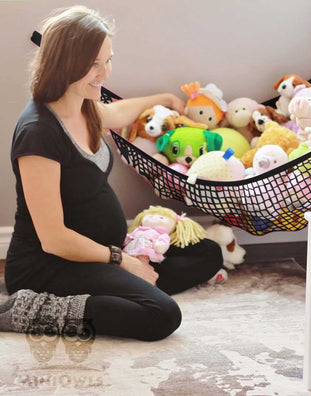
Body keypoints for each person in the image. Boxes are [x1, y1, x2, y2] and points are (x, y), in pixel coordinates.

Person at [0, 5, 223, 341]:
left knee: (208, 253)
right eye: (94, 65)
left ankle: (116, 293)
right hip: (49, 266)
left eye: (108, 60)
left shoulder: (84, 104)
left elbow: (117, 112)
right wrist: (122, 261)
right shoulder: (38, 133)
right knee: (161, 315)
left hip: (101, 253)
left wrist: (163, 99)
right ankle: (27, 309)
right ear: (65, 64)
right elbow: (54, 238)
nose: (105, 73)